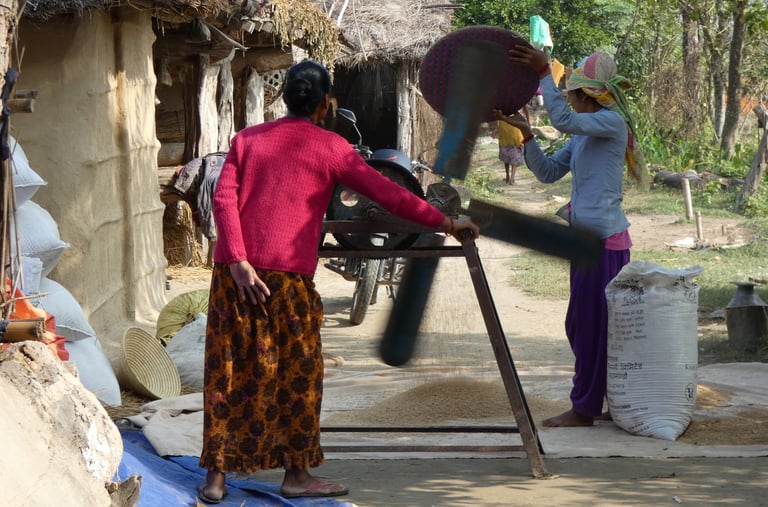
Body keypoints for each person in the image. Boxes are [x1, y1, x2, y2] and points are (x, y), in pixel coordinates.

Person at [197, 60, 479, 503]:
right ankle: (296, 475)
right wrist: (445, 221)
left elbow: (223, 197)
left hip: (236, 280)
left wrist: (236, 259)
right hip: (288, 283)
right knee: (298, 376)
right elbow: (388, 192)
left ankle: (216, 477)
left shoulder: (247, 140)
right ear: (325, 104)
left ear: (284, 97)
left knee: (228, 373)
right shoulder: (331, 147)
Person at [503, 46, 649, 428]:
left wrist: (542, 73)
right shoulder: (585, 134)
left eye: (570, 93)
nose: (566, 98)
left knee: (591, 328)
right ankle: (594, 401)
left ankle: (584, 409)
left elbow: (564, 119)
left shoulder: (610, 123)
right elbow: (549, 173)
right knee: (585, 326)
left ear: (587, 97)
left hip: (603, 244)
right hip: (587, 243)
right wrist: (528, 136)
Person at [495, 109, 526, 185]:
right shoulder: (520, 100)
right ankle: (512, 179)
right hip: (515, 126)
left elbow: (497, 113)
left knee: (506, 152)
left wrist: (497, 127)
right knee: (515, 152)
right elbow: (525, 111)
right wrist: (527, 123)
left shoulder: (502, 100)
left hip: (504, 126)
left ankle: (508, 177)